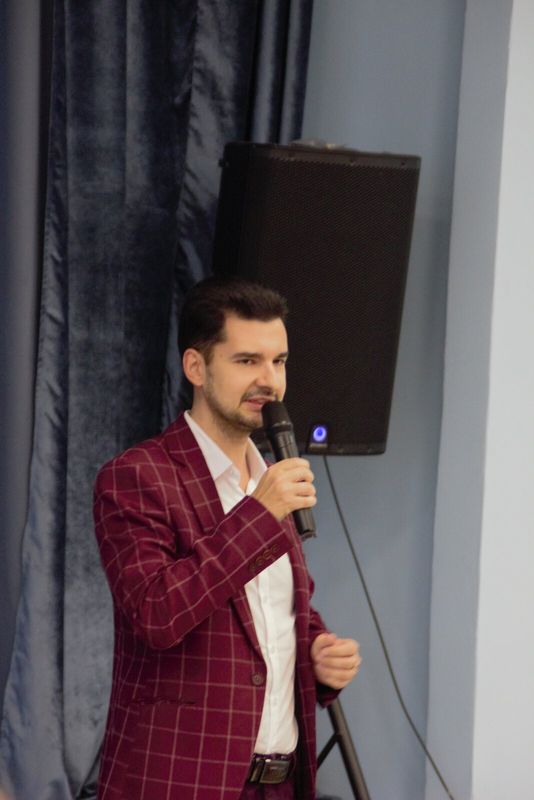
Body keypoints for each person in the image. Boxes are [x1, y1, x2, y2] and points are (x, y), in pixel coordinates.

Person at [94, 277, 361, 800]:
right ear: (196, 367)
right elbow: (157, 614)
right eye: (247, 361)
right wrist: (260, 513)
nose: (269, 381)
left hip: (279, 784)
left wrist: (317, 649)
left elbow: (274, 614)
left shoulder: (270, 478)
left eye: (278, 361)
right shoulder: (137, 477)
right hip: (180, 783)